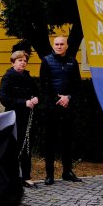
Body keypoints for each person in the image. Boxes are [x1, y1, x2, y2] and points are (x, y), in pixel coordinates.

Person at [39, 36, 82, 185]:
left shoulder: (73, 61)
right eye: (56, 44)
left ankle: (67, 172)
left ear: (67, 46)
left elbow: (77, 85)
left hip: (68, 108)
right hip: (52, 108)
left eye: (61, 44)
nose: (59, 46)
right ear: (53, 45)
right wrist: (56, 100)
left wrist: (68, 98)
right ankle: (49, 174)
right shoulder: (46, 61)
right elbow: (43, 86)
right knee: (50, 142)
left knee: (67, 141)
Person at [0, 50, 40, 187]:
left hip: (27, 118)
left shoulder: (28, 77)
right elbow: (4, 99)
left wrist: (35, 98)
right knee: (14, 147)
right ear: (13, 62)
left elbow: (37, 93)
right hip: (13, 117)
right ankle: (12, 177)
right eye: (20, 60)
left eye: (25, 60)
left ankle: (26, 176)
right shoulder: (7, 78)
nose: (23, 63)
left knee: (27, 146)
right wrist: (24, 102)